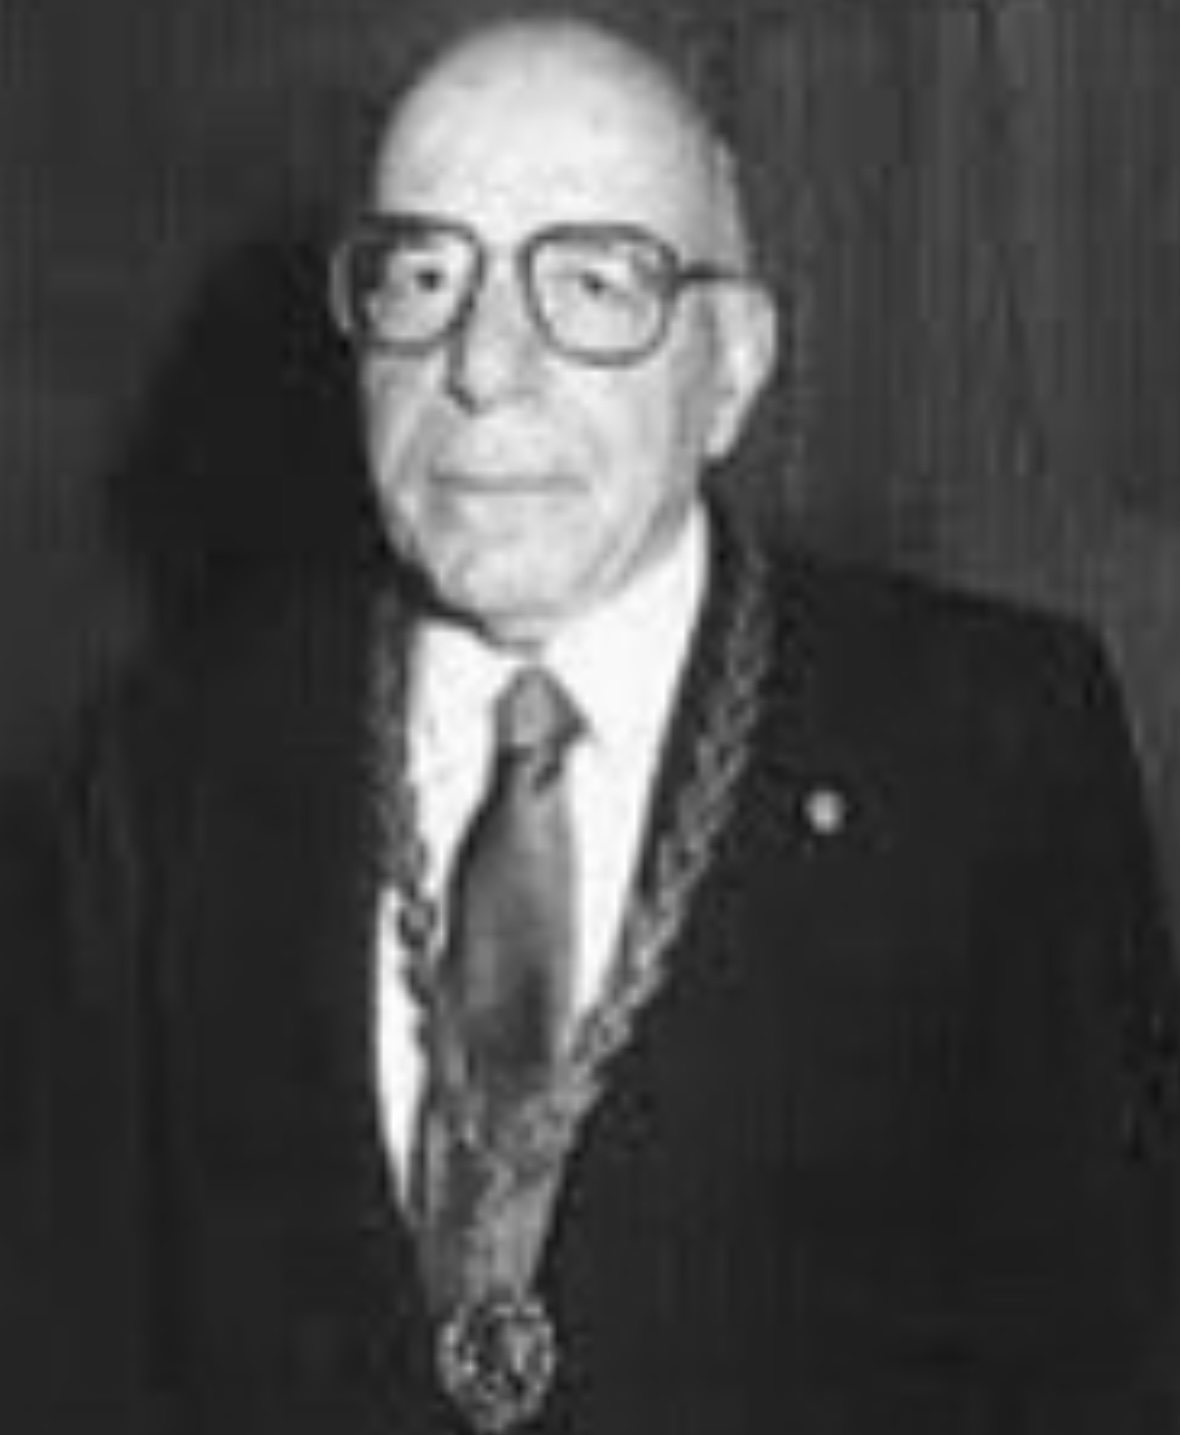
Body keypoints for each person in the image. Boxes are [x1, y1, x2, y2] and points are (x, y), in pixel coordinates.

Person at [2, 10, 1178, 1433]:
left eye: (594, 282)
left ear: (731, 365)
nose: (485, 365)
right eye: (425, 274)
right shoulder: (170, 769)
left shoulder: (990, 748)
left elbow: (1102, 1364)